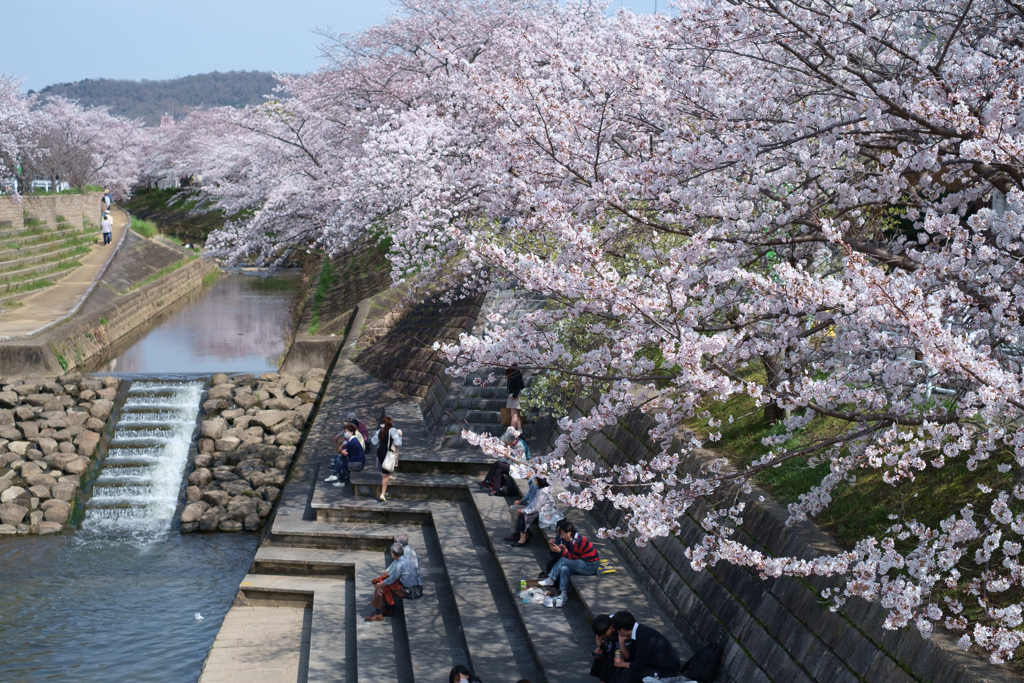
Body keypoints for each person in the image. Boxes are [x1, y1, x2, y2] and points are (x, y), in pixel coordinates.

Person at [538, 521, 599, 607]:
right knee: (564, 569)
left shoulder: (578, 541)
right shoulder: (574, 539)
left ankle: (551, 578)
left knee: (563, 560)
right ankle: (564, 593)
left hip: (590, 566)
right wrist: (565, 549)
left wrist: (560, 551)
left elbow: (573, 557)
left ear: (569, 533)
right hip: (583, 563)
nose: (561, 536)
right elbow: (574, 555)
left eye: (562, 534)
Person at [612, 611, 682, 682]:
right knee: (622, 666)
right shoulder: (636, 631)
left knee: (628, 673)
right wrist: (621, 641)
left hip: (665, 671)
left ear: (622, 629)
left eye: (618, 631)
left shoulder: (643, 637)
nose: (618, 633)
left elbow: (638, 665)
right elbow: (629, 656)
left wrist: (622, 664)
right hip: (652, 665)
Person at [365, 543, 416, 621]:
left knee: (380, 587)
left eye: (391, 553)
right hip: (413, 588)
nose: (391, 554)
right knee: (385, 585)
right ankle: (388, 609)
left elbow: (389, 581)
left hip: (408, 591)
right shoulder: (407, 559)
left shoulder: (399, 564)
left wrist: (379, 584)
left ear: (393, 554)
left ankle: (378, 614)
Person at [479, 427, 529, 496]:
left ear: (509, 441)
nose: (505, 445)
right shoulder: (512, 445)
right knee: (498, 468)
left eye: (506, 443)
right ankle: (495, 489)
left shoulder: (519, 446)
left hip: (517, 468)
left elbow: (519, 461)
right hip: (511, 464)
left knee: (498, 464)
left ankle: (487, 481)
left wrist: (509, 457)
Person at [509, 477, 553, 547]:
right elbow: (533, 503)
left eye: (536, 480)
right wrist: (523, 510)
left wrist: (523, 511)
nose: (535, 480)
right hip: (539, 511)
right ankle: (525, 537)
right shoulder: (540, 490)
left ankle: (522, 540)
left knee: (523, 516)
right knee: (523, 514)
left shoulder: (543, 493)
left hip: (544, 515)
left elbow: (536, 508)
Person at [371, 416, 402, 502]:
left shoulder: (380, 431)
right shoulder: (392, 430)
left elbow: (374, 442)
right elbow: (398, 442)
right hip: (387, 452)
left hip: (380, 450)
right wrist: (399, 435)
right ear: (390, 423)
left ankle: (390, 475)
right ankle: (382, 494)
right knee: (384, 475)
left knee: (386, 466)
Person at [589, 614, 618, 682]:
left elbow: (617, 647)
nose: (602, 637)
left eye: (603, 634)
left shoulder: (620, 628)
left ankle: (604, 680)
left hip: (625, 649)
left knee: (611, 657)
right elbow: (601, 641)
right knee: (600, 654)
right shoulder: (607, 624)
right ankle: (603, 679)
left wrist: (602, 645)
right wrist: (600, 647)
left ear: (610, 628)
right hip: (614, 646)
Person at [505, 364, 525, 431]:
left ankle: (512, 432)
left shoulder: (515, 373)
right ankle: (519, 430)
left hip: (515, 395)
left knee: (514, 415)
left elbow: (519, 385)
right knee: (515, 414)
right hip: (513, 394)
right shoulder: (513, 373)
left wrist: (514, 395)